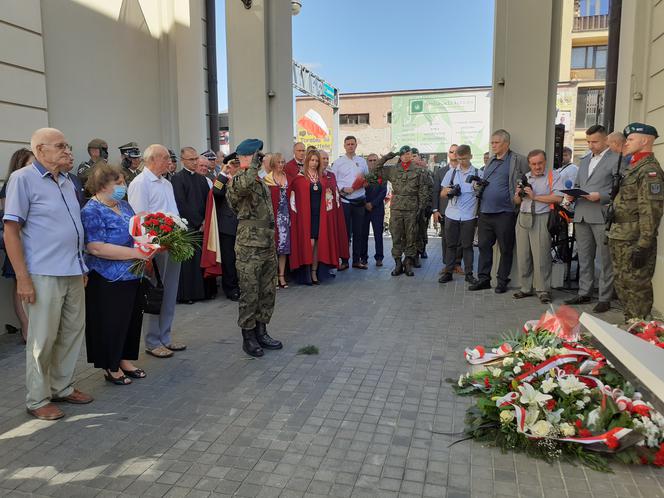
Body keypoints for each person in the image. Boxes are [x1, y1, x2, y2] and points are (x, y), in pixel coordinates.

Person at [3, 127, 93, 420]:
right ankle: (37, 398)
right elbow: (11, 231)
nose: (68, 150)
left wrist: (81, 264)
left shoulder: (68, 181)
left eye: (67, 145)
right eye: (60, 146)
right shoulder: (22, 179)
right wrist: (23, 278)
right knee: (42, 339)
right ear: (40, 150)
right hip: (43, 273)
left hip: (73, 270)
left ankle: (62, 387)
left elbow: (73, 227)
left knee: (71, 333)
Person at [81, 164, 153, 385]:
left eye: (123, 182)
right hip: (107, 277)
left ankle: (124, 359)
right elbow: (96, 247)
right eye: (119, 183)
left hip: (133, 274)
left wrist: (150, 245)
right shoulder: (91, 210)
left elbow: (135, 233)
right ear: (102, 185)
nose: (124, 186)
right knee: (111, 322)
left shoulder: (124, 205)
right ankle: (110, 365)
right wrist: (136, 252)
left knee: (130, 320)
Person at [128, 144, 186, 358]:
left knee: (170, 292)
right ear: (152, 160)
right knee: (154, 293)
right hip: (154, 248)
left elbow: (174, 213)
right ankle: (152, 341)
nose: (169, 162)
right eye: (164, 158)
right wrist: (148, 253)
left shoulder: (166, 183)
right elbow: (139, 219)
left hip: (173, 244)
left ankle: (166, 337)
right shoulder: (140, 183)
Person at [226, 139, 282, 357]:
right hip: (249, 246)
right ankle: (248, 337)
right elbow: (243, 187)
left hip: (266, 244)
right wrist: (250, 165)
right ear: (248, 157)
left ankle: (262, 330)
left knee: (267, 291)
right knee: (250, 292)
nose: (262, 158)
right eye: (258, 155)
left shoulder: (258, 181)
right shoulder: (239, 179)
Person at [608, 123, 663, 322]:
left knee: (637, 287)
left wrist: (644, 244)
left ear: (645, 140)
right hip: (621, 236)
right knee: (623, 285)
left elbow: (651, 212)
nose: (627, 143)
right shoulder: (633, 166)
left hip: (634, 240)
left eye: (631, 139)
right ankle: (631, 324)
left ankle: (641, 331)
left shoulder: (649, 171)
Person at [563, 125, 620, 313]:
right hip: (581, 213)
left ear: (605, 140)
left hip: (601, 214)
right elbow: (579, 183)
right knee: (584, 257)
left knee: (605, 259)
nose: (590, 145)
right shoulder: (585, 159)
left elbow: (619, 188)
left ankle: (605, 297)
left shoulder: (617, 159)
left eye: (594, 142)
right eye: (588, 142)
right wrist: (571, 195)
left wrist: (601, 196)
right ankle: (584, 291)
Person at [469, 129, 529, 293]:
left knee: (505, 248)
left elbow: (528, 179)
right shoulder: (490, 161)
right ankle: (484, 279)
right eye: (492, 142)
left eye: (496, 142)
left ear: (506, 143)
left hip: (505, 212)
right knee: (483, 247)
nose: (493, 145)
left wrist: (521, 194)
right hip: (485, 212)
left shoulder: (517, 160)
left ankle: (502, 281)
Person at [512, 150, 564, 304]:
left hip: (541, 217)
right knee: (523, 255)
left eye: (540, 163)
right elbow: (517, 202)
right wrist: (518, 194)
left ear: (545, 162)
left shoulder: (553, 176)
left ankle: (543, 290)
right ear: (529, 164)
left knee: (541, 256)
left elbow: (558, 198)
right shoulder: (525, 177)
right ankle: (525, 288)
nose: (537, 166)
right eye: (534, 164)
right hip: (523, 218)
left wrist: (535, 197)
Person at [289, 149, 345, 283]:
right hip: (305, 216)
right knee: (310, 243)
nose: (314, 163)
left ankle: (314, 273)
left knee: (317, 244)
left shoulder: (322, 178)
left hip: (319, 216)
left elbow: (328, 196)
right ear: (307, 161)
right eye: (312, 160)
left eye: (316, 161)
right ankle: (306, 273)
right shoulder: (299, 177)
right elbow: (293, 200)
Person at [374, 145, 429, 277]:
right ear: (400, 156)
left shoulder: (418, 170)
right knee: (396, 235)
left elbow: (423, 190)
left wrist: (421, 208)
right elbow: (376, 169)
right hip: (397, 208)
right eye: (403, 154)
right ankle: (398, 263)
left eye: (408, 154)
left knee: (411, 236)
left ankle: (408, 263)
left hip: (412, 208)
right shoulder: (393, 169)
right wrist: (388, 156)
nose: (406, 156)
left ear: (411, 155)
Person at [1, 148, 34, 343]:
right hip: (18, 242)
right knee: (19, 284)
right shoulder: (11, 185)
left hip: (34, 245)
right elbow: (10, 220)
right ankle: (26, 328)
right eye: (30, 164)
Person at [171, 147, 210, 303]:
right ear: (183, 160)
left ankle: (202, 292)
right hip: (188, 227)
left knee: (200, 260)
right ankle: (188, 295)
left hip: (202, 225)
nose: (195, 162)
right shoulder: (177, 179)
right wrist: (197, 222)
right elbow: (181, 203)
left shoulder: (201, 179)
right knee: (189, 263)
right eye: (191, 160)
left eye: (196, 159)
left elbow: (208, 201)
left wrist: (206, 220)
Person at [438, 144, 479, 284]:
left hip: (469, 215)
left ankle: (469, 274)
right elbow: (442, 193)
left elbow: (483, 194)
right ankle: (448, 272)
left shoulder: (478, 173)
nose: (462, 162)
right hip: (452, 214)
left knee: (467, 246)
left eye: (465, 159)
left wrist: (478, 188)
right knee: (451, 245)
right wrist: (450, 191)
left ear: (471, 156)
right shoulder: (452, 173)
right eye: (459, 159)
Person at [331, 136, 369, 270]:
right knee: (345, 232)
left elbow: (367, 180)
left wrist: (361, 184)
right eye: (348, 144)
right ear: (344, 146)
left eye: (353, 144)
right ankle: (345, 260)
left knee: (359, 232)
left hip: (359, 200)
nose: (350, 146)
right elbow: (332, 182)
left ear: (356, 145)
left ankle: (357, 260)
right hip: (345, 201)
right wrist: (342, 189)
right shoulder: (338, 162)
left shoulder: (362, 162)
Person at [212, 153, 241, 301]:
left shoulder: (243, 178)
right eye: (232, 165)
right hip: (227, 226)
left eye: (237, 165)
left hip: (242, 224)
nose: (235, 168)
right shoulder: (222, 179)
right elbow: (216, 191)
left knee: (241, 259)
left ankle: (242, 286)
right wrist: (224, 172)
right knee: (229, 259)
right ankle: (231, 288)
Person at [432, 144, 461, 274]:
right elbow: (436, 191)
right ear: (448, 154)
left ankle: (457, 264)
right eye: (451, 151)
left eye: (457, 152)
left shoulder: (465, 170)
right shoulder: (440, 172)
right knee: (446, 239)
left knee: (460, 239)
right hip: (444, 211)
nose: (454, 154)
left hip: (461, 211)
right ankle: (447, 264)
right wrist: (435, 210)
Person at [264, 153, 291, 288]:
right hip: (273, 217)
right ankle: (272, 277)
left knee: (283, 248)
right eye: (279, 162)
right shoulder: (266, 180)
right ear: (273, 164)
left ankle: (282, 276)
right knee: (272, 248)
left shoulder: (288, 178)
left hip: (285, 217)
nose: (281, 165)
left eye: (283, 162)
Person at [360, 153, 387, 266]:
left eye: (374, 160)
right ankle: (363, 258)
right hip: (364, 209)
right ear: (367, 162)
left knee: (378, 235)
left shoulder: (382, 175)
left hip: (377, 209)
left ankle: (379, 258)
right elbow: (359, 190)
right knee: (363, 235)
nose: (372, 162)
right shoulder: (363, 175)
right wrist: (366, 203)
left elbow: (383, 192)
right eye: (370, 160)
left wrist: (373, 204)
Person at [412, 148, 433, 265]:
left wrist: (428, 205)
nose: (413, 158)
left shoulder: (427, 172)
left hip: (424, 206)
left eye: (415, 156)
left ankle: (422, 249)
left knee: (422, 230)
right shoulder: (407, 171)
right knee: (411, 231)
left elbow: (432, 189)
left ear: (419, 157)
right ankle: (413, 254)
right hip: (411, 207)